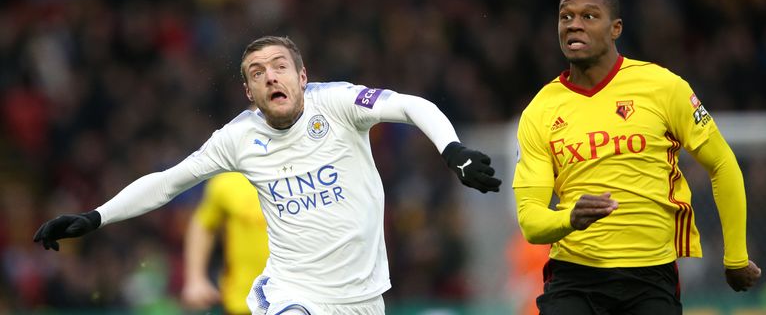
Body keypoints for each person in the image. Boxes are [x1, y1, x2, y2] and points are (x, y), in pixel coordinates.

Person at [33, 35, 501, 315]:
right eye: (258, 72)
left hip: (364, 296)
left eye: (280, 67)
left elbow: (409, 104)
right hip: (291, 292)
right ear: (248, 91)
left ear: (302, 76)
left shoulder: (338, 104)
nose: (271, 77)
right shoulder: (237, 138)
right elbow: (168, 181)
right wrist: (96, 217)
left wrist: (452, 149)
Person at [512, 0, 762, 314]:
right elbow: (530, 220)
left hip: (650, 277)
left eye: (589, 16)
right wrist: (571, 218)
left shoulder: (663, 87)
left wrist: (735, 256)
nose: (573, 24)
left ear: (615, 29)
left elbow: (723, 164)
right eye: (566, 16)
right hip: (574, 277)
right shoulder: (539, 111)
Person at [181, 172, 269, 315]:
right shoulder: (229, 180)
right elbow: (203, 224)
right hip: (244, 302)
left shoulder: (312, 173)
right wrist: (195, 278)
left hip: (306, 296)